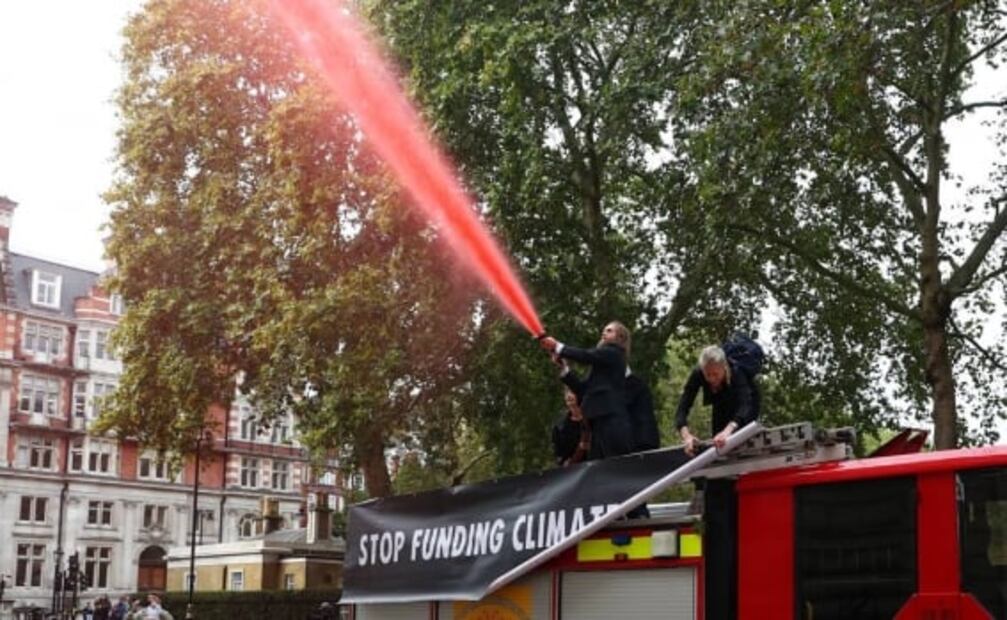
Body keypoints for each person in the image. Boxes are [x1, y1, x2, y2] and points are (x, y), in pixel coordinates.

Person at [540, 321, 633, 458]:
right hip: (598, 422)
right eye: (604, 330)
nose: (603, 333)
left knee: (614, 464)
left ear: (620, 338)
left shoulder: (615, 352)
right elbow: (583, 390)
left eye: (609, 331)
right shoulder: (601, 366)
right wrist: (564, 369)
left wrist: (558, 346)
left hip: (612, 421)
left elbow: (586, 356)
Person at [675, 344, 759, 455]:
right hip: (720, 402)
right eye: (707, 374)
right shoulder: (698, 373)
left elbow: (745, 404)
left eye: (715, 374)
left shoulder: (736, 371)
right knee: (718, 441)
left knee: (736, 436)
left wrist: (727, 431)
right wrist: (686, 436)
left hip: (747, 405)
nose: (711, 379)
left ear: (724, 367)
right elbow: (683, 407)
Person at [551, 387, 591, 466]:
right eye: (566, 393)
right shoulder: (560, 425)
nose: (568, 396)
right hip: (572, 470)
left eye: (572, 392)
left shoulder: (592, 419)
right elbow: (558, 453)